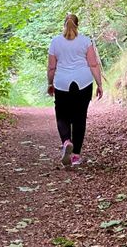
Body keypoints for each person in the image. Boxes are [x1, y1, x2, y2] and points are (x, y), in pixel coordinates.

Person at [47, 13, 103, 167]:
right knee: (79, 118)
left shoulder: (55, 42)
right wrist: (99, 84)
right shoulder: (85, 41)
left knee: (62, 116)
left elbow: (52, 67)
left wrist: (50, 83)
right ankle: (76, 156)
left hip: (62, 83)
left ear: (64, 24)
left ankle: (66, 141)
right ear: (77, 24)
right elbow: (93, 64)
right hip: (83, 82)